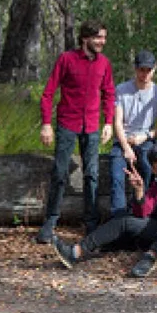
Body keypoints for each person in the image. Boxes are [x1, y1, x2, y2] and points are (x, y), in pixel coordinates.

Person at [51, 145, 157, 278]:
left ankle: (151, 257)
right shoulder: (156, 184)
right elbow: (143, 213)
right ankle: (76, 251)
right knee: (125, 220)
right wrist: (139, 191)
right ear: (153, 169)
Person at [37, 20, 115, 243]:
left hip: (91, 126)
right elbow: (48, 93)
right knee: (60, 173)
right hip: (67, 125)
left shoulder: (104, 64)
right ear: (85, 38)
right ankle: (50, 221)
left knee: (91, 174)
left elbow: (109, 94)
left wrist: (108, 122)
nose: (102, 42)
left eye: (103, 38)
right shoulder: (66, 59)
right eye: (99, 37)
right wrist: (46, 124)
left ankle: (91, 223)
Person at [109, 50, 157, 218]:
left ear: (154, 69)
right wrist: (126, 147)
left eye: (148, 70)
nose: (144, 74)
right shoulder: (122, 90)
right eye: (141, 69)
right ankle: (118, 217)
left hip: (146, 139)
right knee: (117, 174)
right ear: (135, 69)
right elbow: (117, 122)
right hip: (123, 140)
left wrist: (145, 136)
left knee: (147, 167)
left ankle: (142, 211)